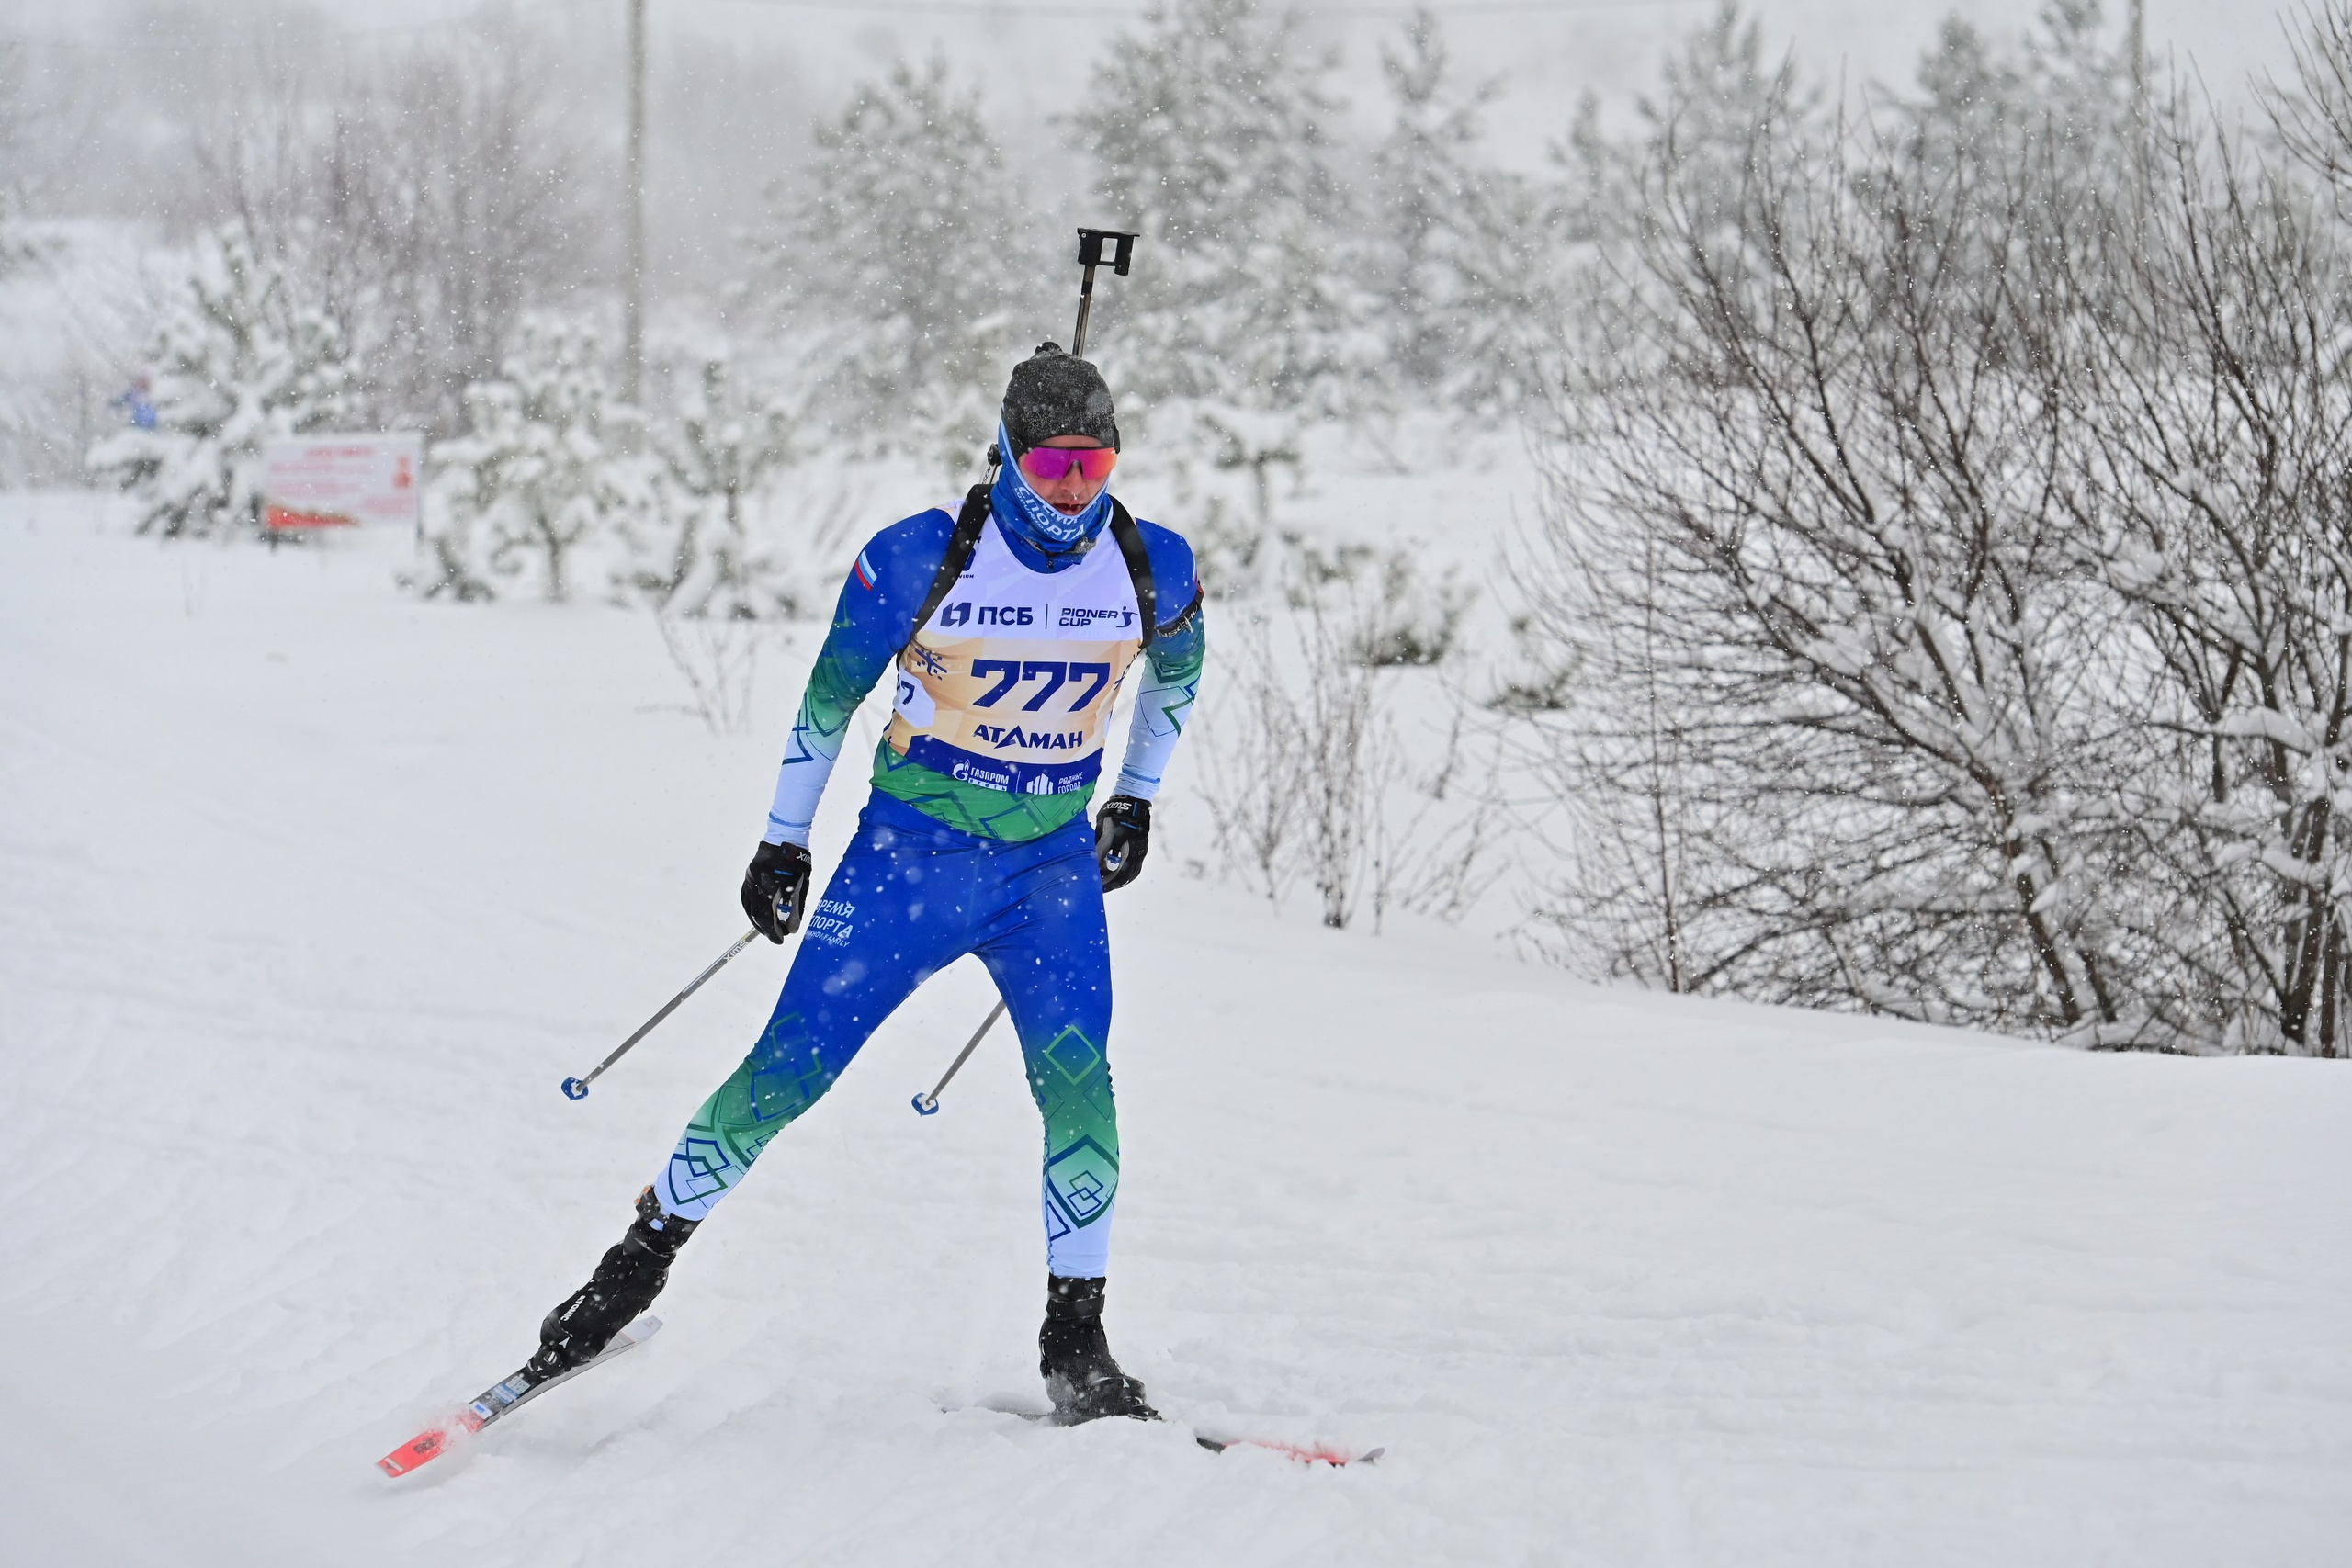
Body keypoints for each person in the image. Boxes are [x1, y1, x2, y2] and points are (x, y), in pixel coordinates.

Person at [522, 345, 1205, 1424]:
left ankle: (1076, 1341)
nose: (1075, 489)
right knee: (785, 1074)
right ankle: (625, 1277)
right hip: (907, 863)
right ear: (1007, 452)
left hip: (1049, 875)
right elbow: (826, 704)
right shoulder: (921, 554)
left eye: (1095, 463)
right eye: (1052, 463)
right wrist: (782, 843)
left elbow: (1178, 673)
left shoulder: (1149, 562)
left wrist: (1136, 796)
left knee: (1081, 1089)